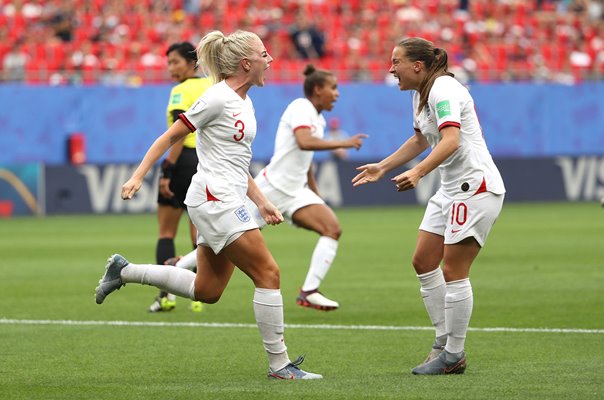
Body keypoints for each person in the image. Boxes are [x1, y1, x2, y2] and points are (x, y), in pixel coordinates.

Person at [95, 30, 322, 380]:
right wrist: (138, 175)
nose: (270, 59)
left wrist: (261, 201)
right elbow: (172, 135)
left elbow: (236, 162)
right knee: (269, 274)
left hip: (226, 197)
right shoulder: (216, 98)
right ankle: (280, 365)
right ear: (247, 63)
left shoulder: (245, 101)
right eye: (265, 53)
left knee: (207, 290)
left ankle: (124, 271)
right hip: (215, 198)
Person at [352, 37, 505, 375]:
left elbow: (452, 139)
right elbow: (422, 138)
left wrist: (419, 171)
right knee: (423, 261)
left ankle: (453, 354)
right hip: (451, 188)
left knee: (453, 271)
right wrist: (383, 166)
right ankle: (442, 340)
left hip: (474, 186)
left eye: (396, 62)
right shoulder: (420, 94)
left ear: (417, 66)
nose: (390, 69)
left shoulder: (444, 90)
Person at [254, 65, 367, 311]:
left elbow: (306, 160)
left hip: (296, 191)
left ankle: (309, 291)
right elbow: (304, 142)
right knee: (227, 242)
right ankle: (177, 266)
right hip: (270, 189)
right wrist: (344, 142)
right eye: (333, 88)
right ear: (317, 89)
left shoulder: (319, 118)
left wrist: (314, 192)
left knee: (332, 228)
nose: (337, 94)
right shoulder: (300, 107)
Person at [150, 41, 213, 313]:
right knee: (197, 233)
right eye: (168, 64)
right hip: (205, 162)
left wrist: (167, 171)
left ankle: (166, 296)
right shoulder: (211, 85)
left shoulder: (181, 91)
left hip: (182, 161)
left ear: (191, 63)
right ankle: (198, 294)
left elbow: (180, 132)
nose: (171, 68)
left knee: (166, 232)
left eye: (175, 62)